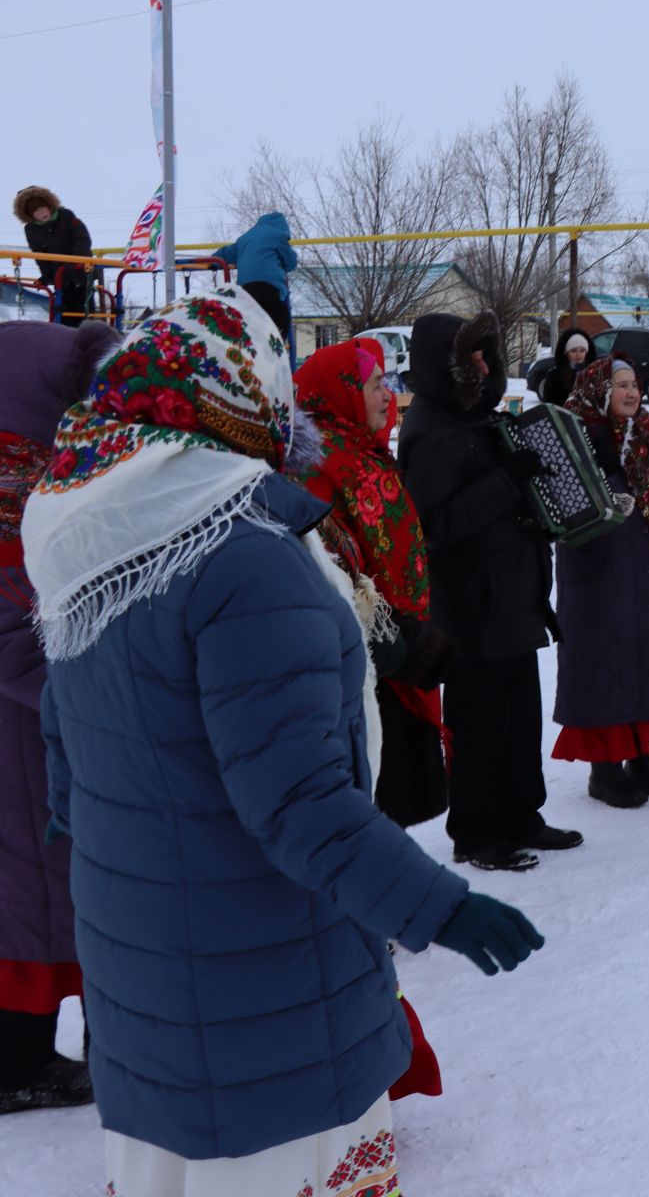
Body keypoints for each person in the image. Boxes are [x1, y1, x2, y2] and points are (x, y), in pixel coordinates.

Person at [23, 287, 542, 1194]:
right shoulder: (242, 559)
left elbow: (65, 742)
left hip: (146, 956)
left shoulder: (97, 537)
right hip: (261, 980)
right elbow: (300, 803)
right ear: (243, 398)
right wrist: (439, 907)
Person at [399, 310, 576, 872]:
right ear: (444, 364)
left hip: (510, 597)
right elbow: (434, 527)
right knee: (478, 724)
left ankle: (521, 814)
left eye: (486, 354)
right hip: (471, 605)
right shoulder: (429, 428)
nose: (482, 364)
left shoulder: (478, 417)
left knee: (520, 716)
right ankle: (477, 832)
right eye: (470, 356)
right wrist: (507, 481)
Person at [0, 318, 115, 1115]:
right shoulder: (11, 488)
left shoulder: (35, 472)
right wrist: (97, 699)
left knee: (39, 893)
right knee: (30, 899)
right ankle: (17, 1065)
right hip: (19, 731)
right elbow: (13, 635)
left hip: (35, 727)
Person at [292, 337, 454, 829]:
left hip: (403, 645)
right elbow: (329, 569)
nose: (388, 394)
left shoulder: (365, 450)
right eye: (375, 384)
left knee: (396, 810)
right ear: (341, 391)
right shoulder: (317, 465)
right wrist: (398, 639)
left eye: (386, 382)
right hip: (371, 662)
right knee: (375, 805)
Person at [551, 356, 649, 807]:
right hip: (599, 574)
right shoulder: (572, 435)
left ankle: (644, 758)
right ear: (599, 389)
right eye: (621, 385)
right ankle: (605, 773)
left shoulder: (647, 435)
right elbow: (560, 513)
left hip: (648, 569)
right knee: (608, 664)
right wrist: (602, 511)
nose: (632, 392)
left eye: (634, 384)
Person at [11, 187, 95, 327]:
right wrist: (46, 276)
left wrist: (78, 259)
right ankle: (67, 341)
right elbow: (40, 255)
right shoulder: (31, 230)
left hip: (81, 271)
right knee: (63, 312)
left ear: (50, 205)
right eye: (36, 211)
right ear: (29, 215)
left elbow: (82, 238)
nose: (42, 212)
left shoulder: (66, 216)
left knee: (85, 309)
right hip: (60, 276)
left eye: (43, 207)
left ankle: (91, 337)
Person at [210, 211, 298, 343]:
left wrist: (212, 262)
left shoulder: (244, 239)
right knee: (282, 315)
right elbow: (291, 263)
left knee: (252, 317)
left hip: (247, 289)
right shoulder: (278, 236)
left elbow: (226, 253)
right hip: (269, 287)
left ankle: (252, 342)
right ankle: (279, 343)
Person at [541, 327, 594, 407]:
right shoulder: (556, 375)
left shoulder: (594, 372)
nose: (578, 354)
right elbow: (550, 402)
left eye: (582, 350)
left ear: (587, 352)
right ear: (566, 353)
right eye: (573, 351)